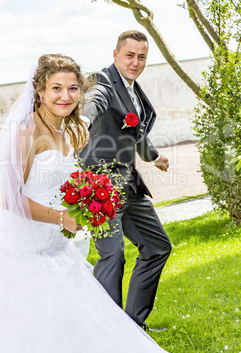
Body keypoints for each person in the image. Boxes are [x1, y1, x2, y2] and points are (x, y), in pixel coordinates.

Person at [0, 53, 168, 352]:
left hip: (59, 248)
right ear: (40, 91)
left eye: (73, 88)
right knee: (43, 326)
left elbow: (65, 181)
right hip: (27, 249)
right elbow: (11, 200)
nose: (65, 96)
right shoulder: (26, 132)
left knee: (81, 325)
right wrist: (61, 218)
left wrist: (93, 197)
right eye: (56, 88)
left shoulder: (67, 131)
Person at [80, 30, 172, 330]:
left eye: (141, 56)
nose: (135, 62)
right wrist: (82, 122)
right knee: (112, 255)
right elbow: (94, 101)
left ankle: (132, 326)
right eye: (129, 55)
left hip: (128, 184)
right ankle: (106, 333)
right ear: (116, 54)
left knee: (158, 246)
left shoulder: (134, 89)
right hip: (99, 187)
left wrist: (154, 156)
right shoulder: (103, 81)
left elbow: (135, 132)